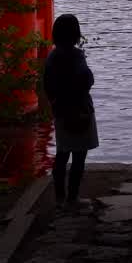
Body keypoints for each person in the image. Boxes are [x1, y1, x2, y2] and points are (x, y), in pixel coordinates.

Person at [42, 14, 99, 210]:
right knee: (79, 156)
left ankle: (59, 197)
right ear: (76, 34)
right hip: (80, 110)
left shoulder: (52, 56)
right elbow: (87, 79)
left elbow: (47, 86)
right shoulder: (76, 55)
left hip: (61, 111)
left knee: (62, 153)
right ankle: (73, 198)